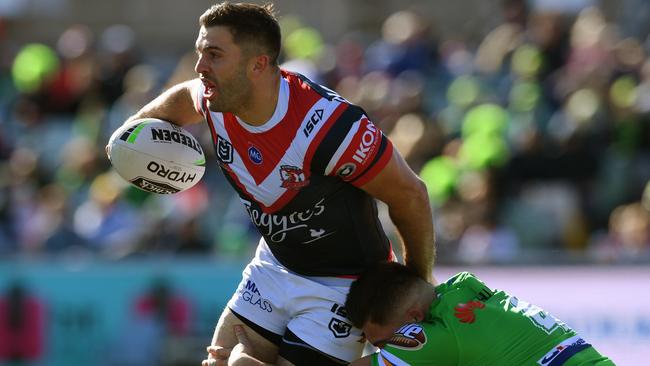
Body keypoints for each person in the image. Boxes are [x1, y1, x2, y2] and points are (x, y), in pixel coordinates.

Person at [108, 3, 434, 365]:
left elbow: (410, 195)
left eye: (214, 55)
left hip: (343, 285)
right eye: (201, 52)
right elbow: (184, 96)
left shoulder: (329, 127)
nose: (200, 67)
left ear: (258, 64)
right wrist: (129, 134)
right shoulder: (213, 97)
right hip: (274, 265)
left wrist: (418, 285)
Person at [342, 262, 614, 366]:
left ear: (413, 319)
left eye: (383, 344)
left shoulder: (436, 336)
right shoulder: (465, 290)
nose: (383, 350)